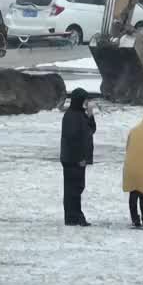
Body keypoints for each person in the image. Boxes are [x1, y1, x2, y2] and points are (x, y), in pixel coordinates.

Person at [59, 88, 95, 227]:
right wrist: (80, 158)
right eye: (85, 100)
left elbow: (91, 131)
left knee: (76, 188)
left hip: (75, 159)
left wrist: (90, 115)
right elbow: (73, 140)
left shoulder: (79, 114)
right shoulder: (72, 116)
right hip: (73, 159)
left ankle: (73, 217)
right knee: (73, 189)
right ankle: (74, 217)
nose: (87, 103)